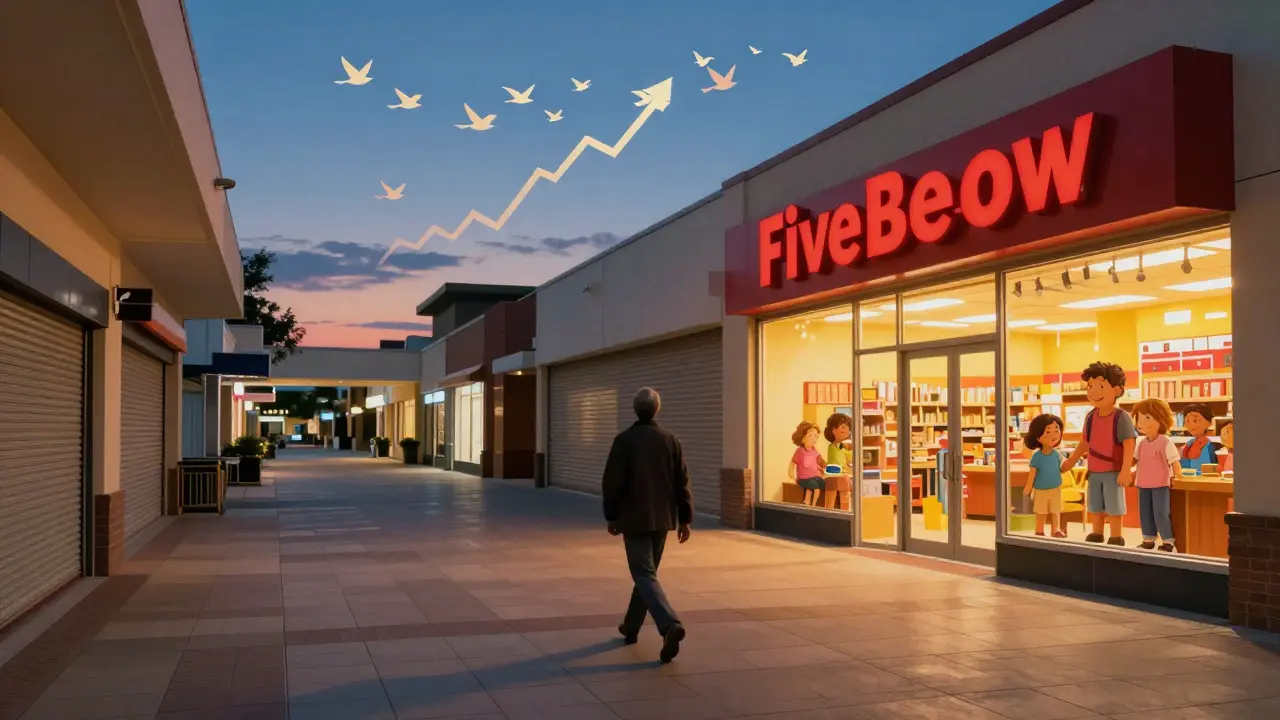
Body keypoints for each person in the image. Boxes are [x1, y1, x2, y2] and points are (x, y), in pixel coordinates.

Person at [602, 387, 692, 663]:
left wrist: (612, 516)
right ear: (657, 409)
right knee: (646, 574)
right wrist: (684, 518)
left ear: (635, 410)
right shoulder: (670, 440)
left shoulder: (624, 441)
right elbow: (681, 481)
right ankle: (630, 627)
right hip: (662, 519)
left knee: (643, 574)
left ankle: (669, 625)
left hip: (634, 518)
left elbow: (612, 482)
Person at [1060, 361, 1137, 546]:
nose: (1094, 392)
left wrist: (1126, 470)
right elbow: (1084, 443)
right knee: (1095, 504)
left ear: (1117, 390)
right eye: (1090, 387)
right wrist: (1071, 461)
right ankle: (1097, 532)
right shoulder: (1091, 417)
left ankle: (1116, 535)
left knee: (1114, 505)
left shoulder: (1121, 417)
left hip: (1113, 471)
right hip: (1093, 470)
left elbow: (1129, 443)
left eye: (1101, 386)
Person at [1132, 398, 1180, 552]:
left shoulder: (1165, 441)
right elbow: (1134, 460)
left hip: (1160, 484)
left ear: (1161, 419)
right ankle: (1148, 539)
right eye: (1139, 418)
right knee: (1145, 513)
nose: (1142, 423)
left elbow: (1174, 462)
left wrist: (1178, 478)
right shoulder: (1142, 443)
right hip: (1143, 483)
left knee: (1161, 513)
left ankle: (1167, 540)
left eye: (1147, 418)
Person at [1023, 413, 1068, 538]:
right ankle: (1039, 529)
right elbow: (1032, 473)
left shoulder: (1057, 454)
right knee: (1041, 510)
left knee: (1056, 509)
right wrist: (1028, 487)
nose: (1054, 435)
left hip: (1056, 487)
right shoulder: (1037, 456)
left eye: (1056, 430)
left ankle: (1056, 529)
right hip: (1041, 489)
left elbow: (1063, 468)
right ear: (1038, 437)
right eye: (1048, 432)